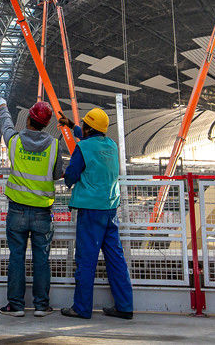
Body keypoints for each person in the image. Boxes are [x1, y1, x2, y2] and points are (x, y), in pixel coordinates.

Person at [58, 107, 133, 320]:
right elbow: (91, 140)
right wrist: (72, 126)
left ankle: (82, 308)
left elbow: (72, 174)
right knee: (116, 258)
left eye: (84, 124)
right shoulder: (111, 146)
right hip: (110, 209)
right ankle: (125, 306)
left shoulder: (83, 147)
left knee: (86, 260)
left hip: (90, 211)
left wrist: (66, 178)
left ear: (88, 128)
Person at [0, 97, 64, 317]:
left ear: (27, 120)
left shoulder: (14, 141)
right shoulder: (54, 145)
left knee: (16, 257)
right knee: (41, 258)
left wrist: (3, 107)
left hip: (17, 210)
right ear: (46, 124)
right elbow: (57, 175)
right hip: (42, 211)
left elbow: (6, 126)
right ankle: (41, 306)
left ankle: (15, 305)